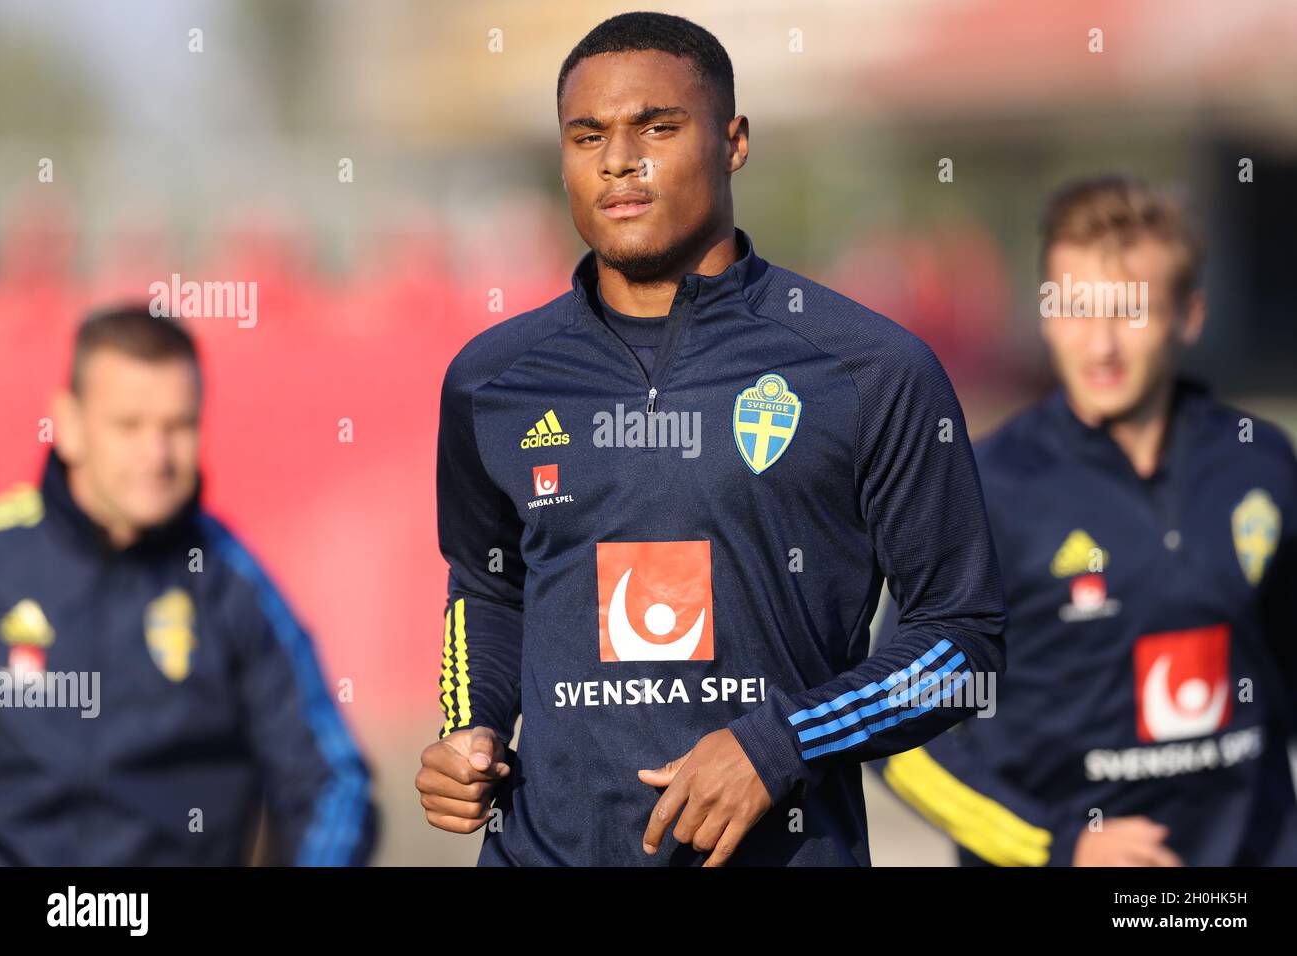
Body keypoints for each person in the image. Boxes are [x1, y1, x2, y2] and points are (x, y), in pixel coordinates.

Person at [416, 11, 1005, 866]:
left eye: (658, 126)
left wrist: (784, 743)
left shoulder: (871, 368)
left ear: (734, 142)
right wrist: (468, 728)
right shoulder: (492, 380)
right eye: (588, 136)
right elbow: (487, 588)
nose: (621, 159)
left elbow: (962, 640)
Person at [877, 175, 1297, 866]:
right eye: (1074, 308)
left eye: (1129, 312)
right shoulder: (987, 488)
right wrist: (1057, 845)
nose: (1099, 345)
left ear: (1189, 316)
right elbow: (900, 734)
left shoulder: (1262, 464)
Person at [0, 305, 377, 865]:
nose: (157, 455)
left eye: (179, 426)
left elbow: (332, 782)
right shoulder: (7, 558)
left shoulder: (231, 578)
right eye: (129, 426)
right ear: (70, 425)